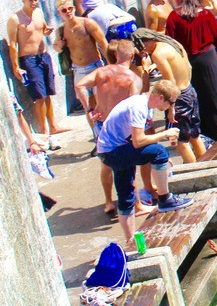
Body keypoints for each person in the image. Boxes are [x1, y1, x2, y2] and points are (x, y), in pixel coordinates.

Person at [97, 80, 192, 241]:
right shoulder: (139, 107)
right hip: (113, 152)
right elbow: (138, 142)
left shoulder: (145, 105)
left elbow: (141, 143)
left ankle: (130, 241)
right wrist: (164, 135)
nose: (171, 107)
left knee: (126, 196)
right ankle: (165, 200)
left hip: (112, 150)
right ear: (161, 98)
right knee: (160, 151)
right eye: (170, 103)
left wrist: (159, 164)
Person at [74, 40, 143, 218]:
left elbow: (79, 85)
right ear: (131, 56)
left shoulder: (101, 72)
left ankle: (107, 202)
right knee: (128, 165)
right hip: (120, 127)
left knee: (105, 165)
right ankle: (136, 203)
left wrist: (88, 109)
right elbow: (133, 106)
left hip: (102, 123)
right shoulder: (132, 79)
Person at [166, 0, 217, 140]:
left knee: (198, 96)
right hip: (208, 59)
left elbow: (169, 41)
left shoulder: (173, 17)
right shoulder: (205, 15)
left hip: (187, 61)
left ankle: (204, 130)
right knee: (216, 92)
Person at [130, 28, 204, 163]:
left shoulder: (158, 54)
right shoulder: (172, 43)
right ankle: (206, 165)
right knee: (194, 135)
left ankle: (194, 174)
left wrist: (171, 108)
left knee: (179, 141)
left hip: (178, 98)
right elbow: (188, 67)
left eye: (144, 49)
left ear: (146, 43)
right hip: (189, 90)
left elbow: (170, 83)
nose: (145, 52)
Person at [7, 0, 66, 148]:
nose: (33, 3)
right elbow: (12, 45)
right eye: (30, 0)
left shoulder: (39, 12)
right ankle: (44, 133)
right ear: (23, 0)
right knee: (38, 96)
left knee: (47, 93)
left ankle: (53, 127)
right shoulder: (15, 19)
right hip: (28, 60)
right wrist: (15, 67)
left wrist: (48, 32)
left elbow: (43, 30)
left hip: (43, 57)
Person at [54, 0, 107, 131]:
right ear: (59, 13)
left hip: (94, 67)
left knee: (100, 102)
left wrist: (111, 66)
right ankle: (97, 137)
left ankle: (108, 135)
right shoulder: (60, 30)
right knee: (87, 107)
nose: (68, 12)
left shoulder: (86, 23)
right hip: (77, 70)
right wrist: (58, 46)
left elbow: (103, 44)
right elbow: (56, 47)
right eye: (64, 10)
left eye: (70, 8)